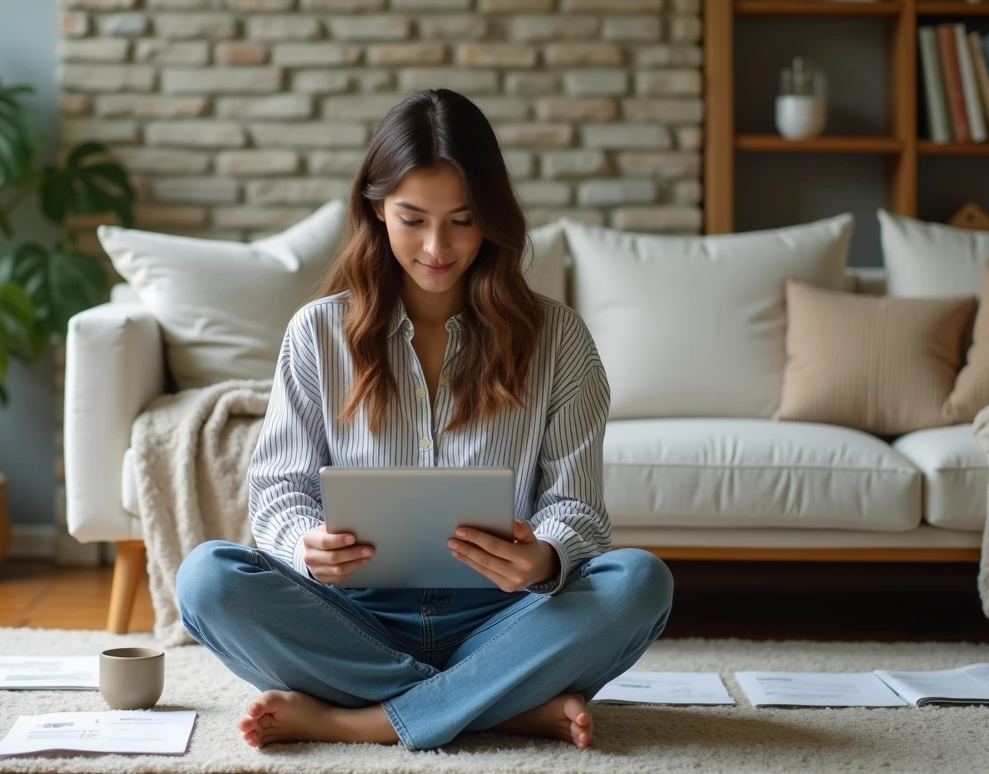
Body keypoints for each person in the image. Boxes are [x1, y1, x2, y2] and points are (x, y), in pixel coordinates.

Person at [175, 88, 674, 752]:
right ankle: (497, 704)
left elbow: (578, 507)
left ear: (492, 219)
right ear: (376, 208)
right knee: (208, 579)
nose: (438, 247)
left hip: (505, 615)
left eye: (463, 221)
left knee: (641, 582)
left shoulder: (560, 339)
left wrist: (544, 557)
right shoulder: (317, 334)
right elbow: (278, 494)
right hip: (353, 615)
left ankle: (363, 719)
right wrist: (304, 544)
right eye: (413, 218)